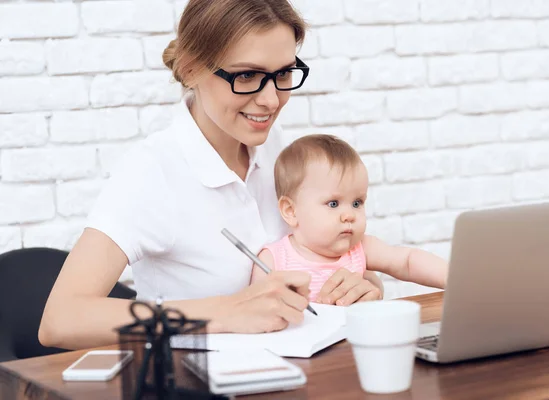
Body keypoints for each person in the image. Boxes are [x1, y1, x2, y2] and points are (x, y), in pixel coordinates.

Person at [39, 0, 383, 350]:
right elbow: (61, 320)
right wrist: (223, 312)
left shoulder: (276, 148)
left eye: (282, 74)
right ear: (191, 70)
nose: (271, 100)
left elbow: (308, 257)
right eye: (246, 76)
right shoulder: (153, 170)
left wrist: (356, 285)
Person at [251, 134, 448, 305]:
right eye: (333, 204)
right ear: (291, 211)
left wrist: (458, 280)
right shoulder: (273, 260)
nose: (349, 215)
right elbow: (257, 310)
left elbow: (407, 261)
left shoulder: (360, 249)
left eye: (357, 203)